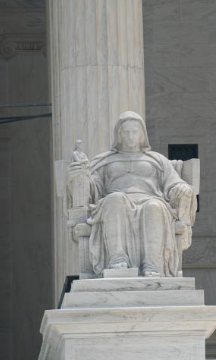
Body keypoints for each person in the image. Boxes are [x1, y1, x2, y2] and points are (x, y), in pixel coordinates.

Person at [69, 111, 195, 277]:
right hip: (114, 203)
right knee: (115, 199)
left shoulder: (157, 160)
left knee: (154, 206)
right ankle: (117, 259)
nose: (130, 136)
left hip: (151, 201)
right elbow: (93, 188)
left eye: (134, 132)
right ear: (119, 135)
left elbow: (173, 183)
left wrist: (183, 188)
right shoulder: (105, 161)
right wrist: (80, 175)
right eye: (126, 132)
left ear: (142, 134)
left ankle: (152, 265)